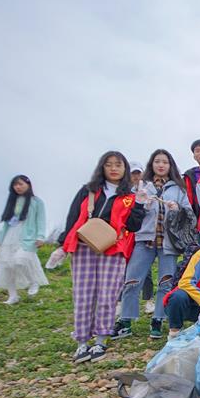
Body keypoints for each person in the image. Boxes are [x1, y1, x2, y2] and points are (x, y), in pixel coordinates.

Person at [56, 151, 145, 363]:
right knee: (83, 294)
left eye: (118, 165)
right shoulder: (88, 191)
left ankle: (101, 340)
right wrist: (62, 244)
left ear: (124, 169)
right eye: (109, 164)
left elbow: (133, 226)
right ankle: (82, 342)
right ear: (102, 167)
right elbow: (73, 218)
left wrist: (140, 205)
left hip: (113, 248)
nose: (113, 168)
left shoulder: (129, 197)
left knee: (108, 294)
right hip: (84, 246)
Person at [113, 149, 191, 340]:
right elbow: (129, 213)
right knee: (132, 280)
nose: (161, 165)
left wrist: (177, 209)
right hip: (144, 239)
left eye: (165, 162)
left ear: (170, 166)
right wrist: (140, 204)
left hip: (169, 242)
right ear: (151, 164)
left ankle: (158, 319)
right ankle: (125, 321)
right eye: (157, 161)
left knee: (166, 282)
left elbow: (188, 213)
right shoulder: (141, 186)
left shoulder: (178, 189)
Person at [0, 175, 49, 304]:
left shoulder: (36, 202)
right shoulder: (12, 201)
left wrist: (40, 236)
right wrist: (2, 240)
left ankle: (33, 281)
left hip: (28, 237)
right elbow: (7, 223)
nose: (17, 187)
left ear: (28, 185)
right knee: (7, 267)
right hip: (10, 235)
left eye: (20, 184)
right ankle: (13, 296)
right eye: (15, 184)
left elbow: (41, 221)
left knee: (20, 261)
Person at [127, 161, 155, 312]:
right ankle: (122, 301)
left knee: (146, 270)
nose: (136, 176)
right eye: (133, 174)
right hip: (127, 235)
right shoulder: (126, 193)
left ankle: (149, 299)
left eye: (138, 173)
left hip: (144, 234)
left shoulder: (149, 189)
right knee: (127, 268)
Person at [182, 139, 200, 218]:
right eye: (197, 151)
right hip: (197, 216)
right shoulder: (189, 176)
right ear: (194, 157)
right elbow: (187, 199)